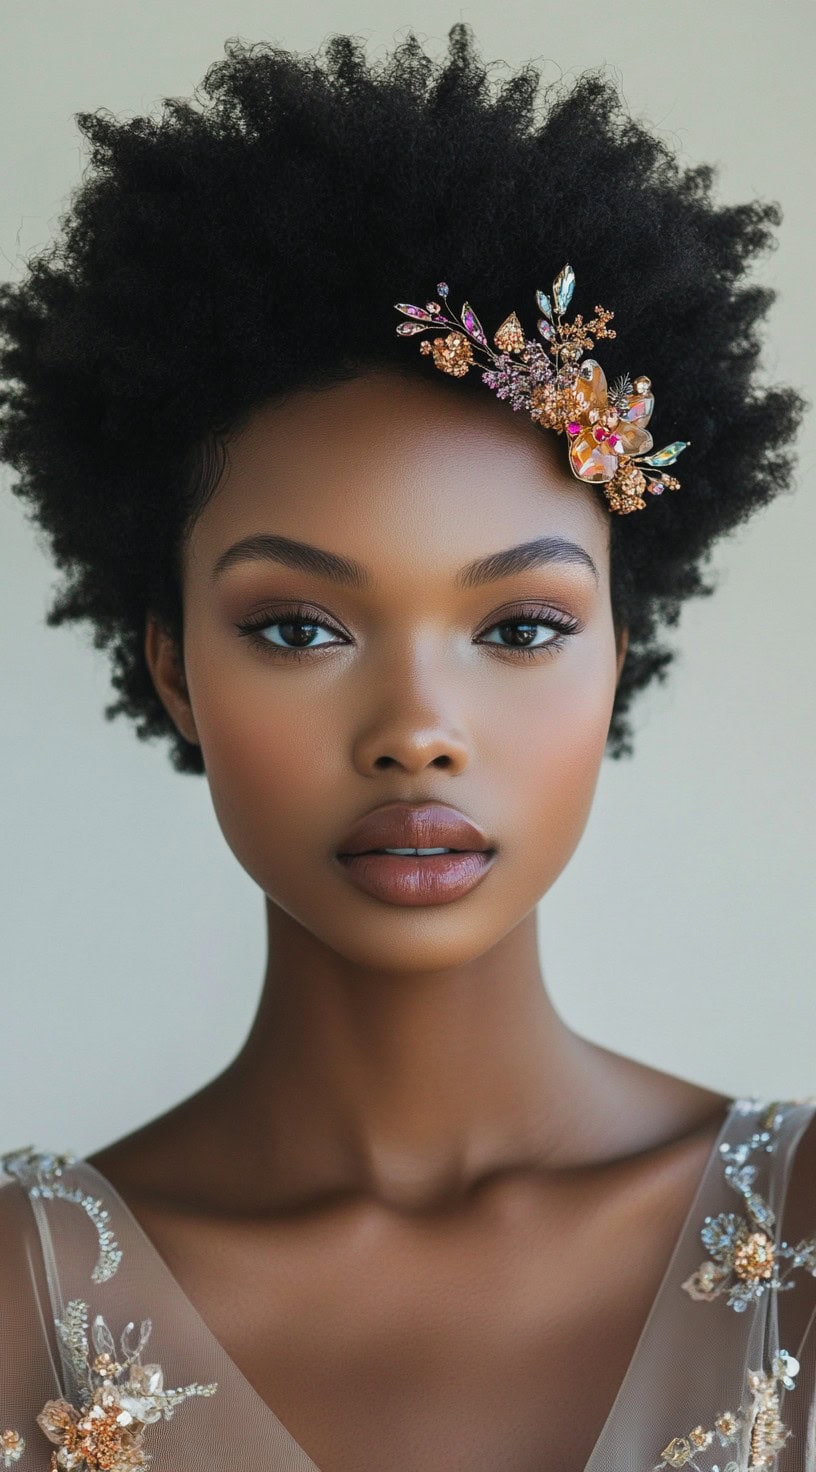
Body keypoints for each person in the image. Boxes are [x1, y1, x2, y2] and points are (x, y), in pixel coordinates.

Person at [0, 23, 811, 1472]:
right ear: (173, 668)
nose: (418, 734)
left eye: (521, 626)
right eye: (299, 627)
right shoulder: (22, 1299)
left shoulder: (796, 1241)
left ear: (621, 650)